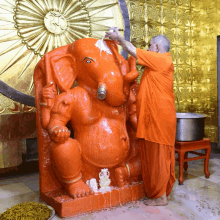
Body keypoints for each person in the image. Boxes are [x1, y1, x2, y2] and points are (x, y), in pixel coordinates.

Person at [105, 29, 176, 206]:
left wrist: (118, 39)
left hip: (159, 119)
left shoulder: (161, 59)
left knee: (158, 157)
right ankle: (160, 192)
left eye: (150, 45)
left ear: (158, 47)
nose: (148, 48)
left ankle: (160, 196)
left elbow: (132, 51)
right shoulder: (158, 62)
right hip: (153, 118)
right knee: (153, 157)